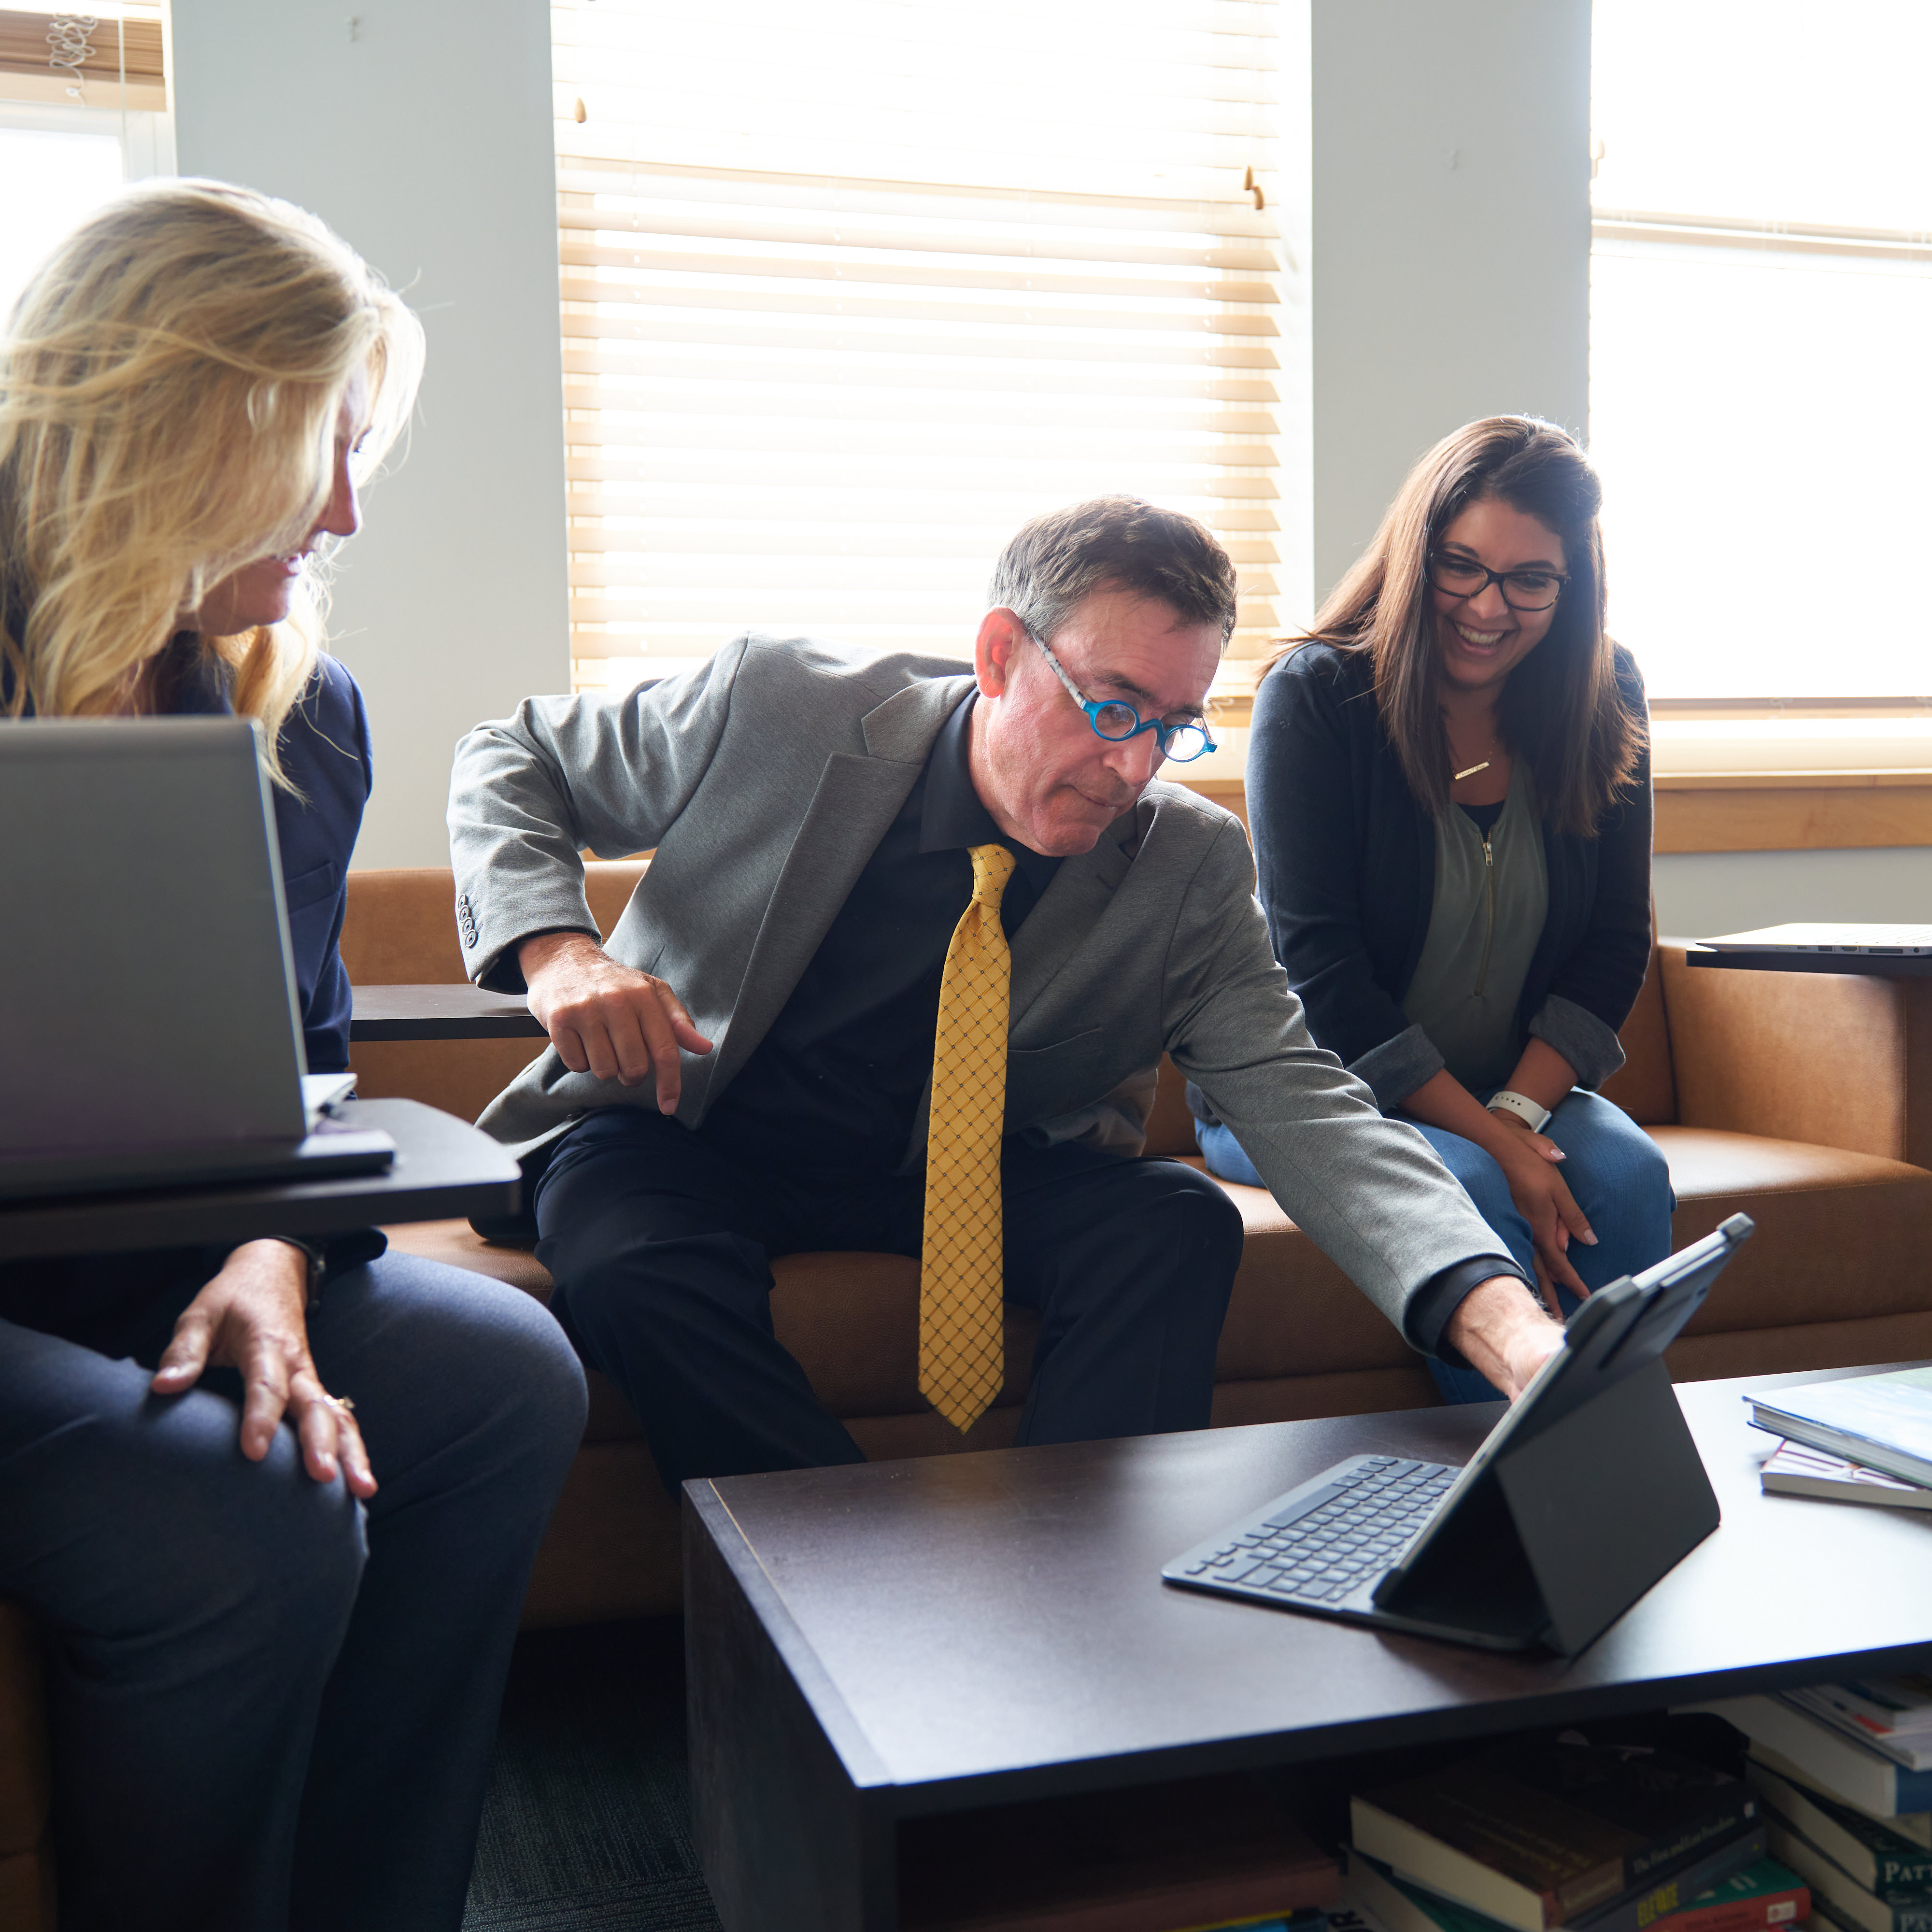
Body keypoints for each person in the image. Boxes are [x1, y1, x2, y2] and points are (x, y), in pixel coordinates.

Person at [448, 494, 1568, 1498]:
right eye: (1114, 706)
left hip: (956, 1164)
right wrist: (561, 951)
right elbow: (511, 757)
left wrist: (1502, 1315)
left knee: (1171, 1223)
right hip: (688, 1124)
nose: (1134, 770)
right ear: (997, 654)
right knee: (630, 1261)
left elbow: (1300, 1099)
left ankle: (1067, 1588)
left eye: (1173, 727)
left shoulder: (1186, 862)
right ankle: (845, 1592)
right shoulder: (781, 703)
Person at [0, 181, 586, 1932]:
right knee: (237, 1519)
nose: (344, 509)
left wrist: (270, 1259)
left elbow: (304, 1054)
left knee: (502, 1379)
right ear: (171, 423)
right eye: (314, 448)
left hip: (150, 1258)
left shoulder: (293, 712)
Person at [1192, 417, 1673, 1403]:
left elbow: (1617, 937)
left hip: (1509, 1089)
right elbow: (1318, 972)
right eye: (1461, 566)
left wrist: (1510, 1113)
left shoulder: (1605, 688)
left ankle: (1614, 1470)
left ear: (1569, 588)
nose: (1487, 606)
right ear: (1416, 555)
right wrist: (1494, 1145)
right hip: (1311, 1095)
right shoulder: (1316, 698)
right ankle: (1514, 1500)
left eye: (1529, 580)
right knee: (1475, 1180)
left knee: (1627, 1175)